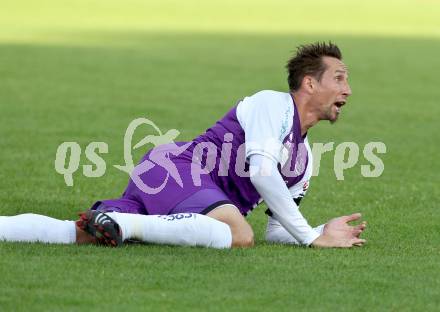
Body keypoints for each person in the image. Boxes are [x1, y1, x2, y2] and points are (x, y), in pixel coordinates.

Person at [0, 42, 366, 249]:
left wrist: (319, 231)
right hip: (175, 171)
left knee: (80, 234)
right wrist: (310, 238)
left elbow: (276, 229)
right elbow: (263, 172)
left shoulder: (305, 161)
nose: (348, 89)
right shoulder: (274, 104)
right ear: (309, 84)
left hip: (184, 195)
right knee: (238, 234)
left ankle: (109, 223)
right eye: (340, 78)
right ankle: (125, 224)